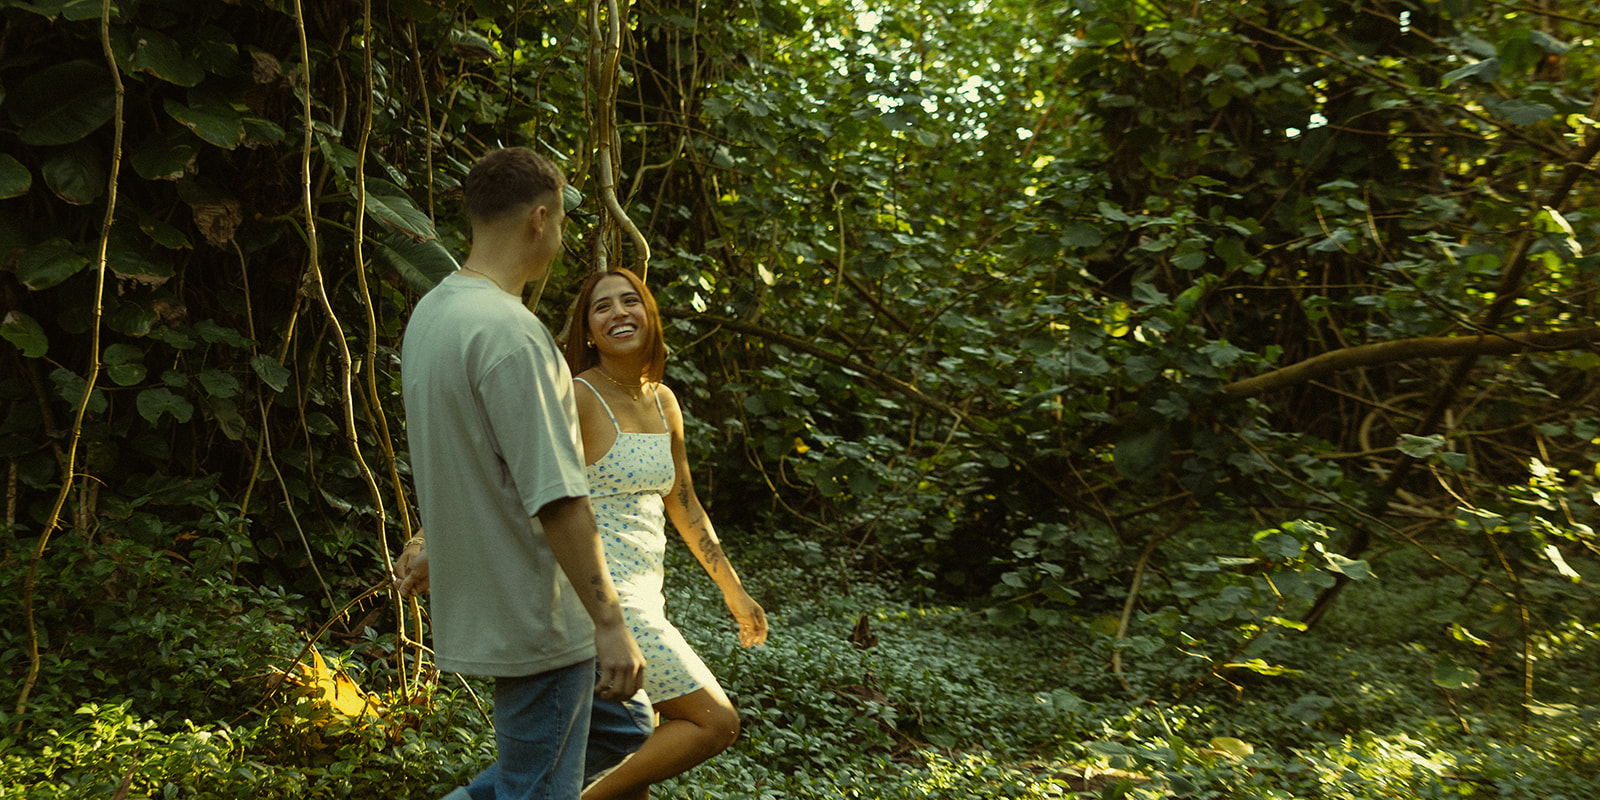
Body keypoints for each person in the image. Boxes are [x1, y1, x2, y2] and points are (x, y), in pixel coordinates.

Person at [395, 147, 647, 800]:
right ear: (541, 219)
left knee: (624, 727)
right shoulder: (511, 334)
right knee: (536, 790)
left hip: (502, 600)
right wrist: (609, 622)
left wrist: (432, 542)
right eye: (561, 225)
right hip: (541, 614)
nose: (560, 240)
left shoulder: (433, 316)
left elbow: (472, 456)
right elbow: (557, 498)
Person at [561, 268, 769, 800]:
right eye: (601, 307)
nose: (618, 312)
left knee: (639, 755)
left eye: (630, 301)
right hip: (606, 600)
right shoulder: (579, 396)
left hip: (646, 594)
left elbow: (683, 501)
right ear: (588, 331)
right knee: (714, 722)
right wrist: (428, 542)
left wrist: (733, 588)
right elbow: (517, 480)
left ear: (650, 317)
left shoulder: (664, 401)